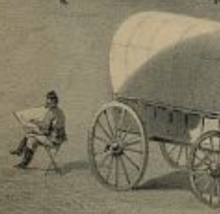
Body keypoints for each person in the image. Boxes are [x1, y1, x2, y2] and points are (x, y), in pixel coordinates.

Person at [10, 90, 67, 169]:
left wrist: (35, 126)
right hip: (59, 139)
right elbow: (50, 126)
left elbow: (45, 130)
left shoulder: (50, 113)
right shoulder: (59, 111)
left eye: (47, 101)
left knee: (30, 136)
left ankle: (21, 156)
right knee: (32, 139)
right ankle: (21, 155)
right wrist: (38, 123)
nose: (46, 103)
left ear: (51, 101)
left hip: (53, 140)